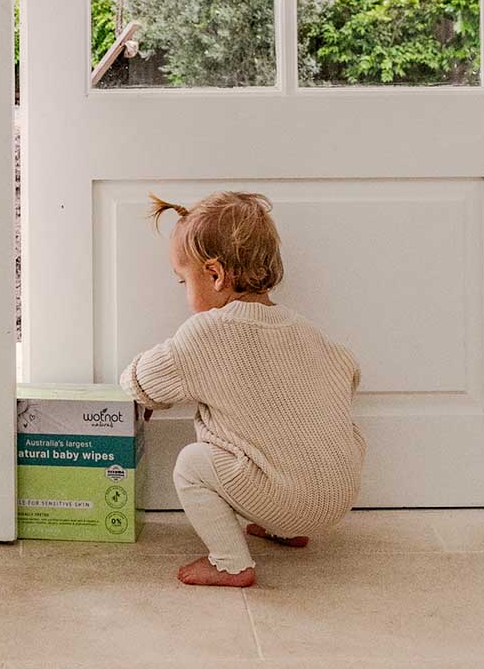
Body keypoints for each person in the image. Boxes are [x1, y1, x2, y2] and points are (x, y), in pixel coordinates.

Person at [120, 191, 366, 587]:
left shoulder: (206, 333)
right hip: (341, 493)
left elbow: (141, 380)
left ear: (215, 275)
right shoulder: (305, 329)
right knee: (286, 442)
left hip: (288, 498)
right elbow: (348, 371)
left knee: (193, 464)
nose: (184, 291)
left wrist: (139, 389)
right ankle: (282, 527)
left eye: (184, 281)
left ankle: (230, 563)